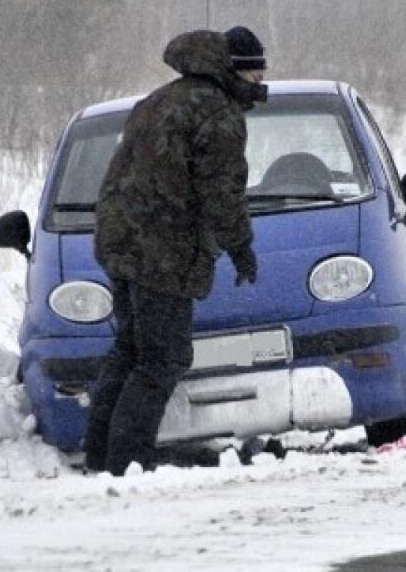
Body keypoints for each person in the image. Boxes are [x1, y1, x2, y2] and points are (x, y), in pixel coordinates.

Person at [84, 26, 268, 476]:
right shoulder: (218, 115)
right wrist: (241, 247)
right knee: (162, 359)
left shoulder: (159, 100)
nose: (263, 81)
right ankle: (126, 465)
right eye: (257, 71)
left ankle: (99, 457)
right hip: (161, 250)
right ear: (235, 71)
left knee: (130, 351)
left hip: (120, 242)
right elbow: (221, 194)